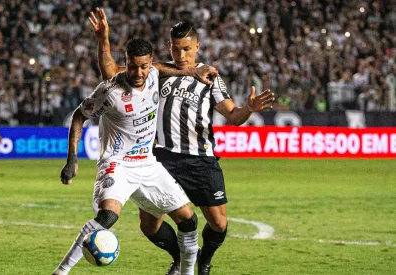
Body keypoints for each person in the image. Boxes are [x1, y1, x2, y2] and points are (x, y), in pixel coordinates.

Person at [90, 9, 275, 275]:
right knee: (149, 225)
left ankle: (205, 260)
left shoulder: (210, 77)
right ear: (169, 47)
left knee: (219, 223)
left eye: (186, 49)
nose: (181, 55)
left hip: (200, 159)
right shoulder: (155, 72)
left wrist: (249, 107)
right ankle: (180, 257)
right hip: (162, 159)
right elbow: (111, 72)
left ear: (197, 46)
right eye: (176, 49)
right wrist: (103, 40)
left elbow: (234, 116)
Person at [53, 38, 218, 275]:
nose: (138, 72)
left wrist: (194, 71)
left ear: (149, 63)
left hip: (147, 163)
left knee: (189, 221)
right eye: (132, 66)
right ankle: (60, 272)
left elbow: (162, 68)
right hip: (117, 164)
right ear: (125, 62)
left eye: (143, 66)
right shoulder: (110, 92)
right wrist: (72, 160)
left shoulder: (153, 74)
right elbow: (79, 116)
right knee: (108, 216)